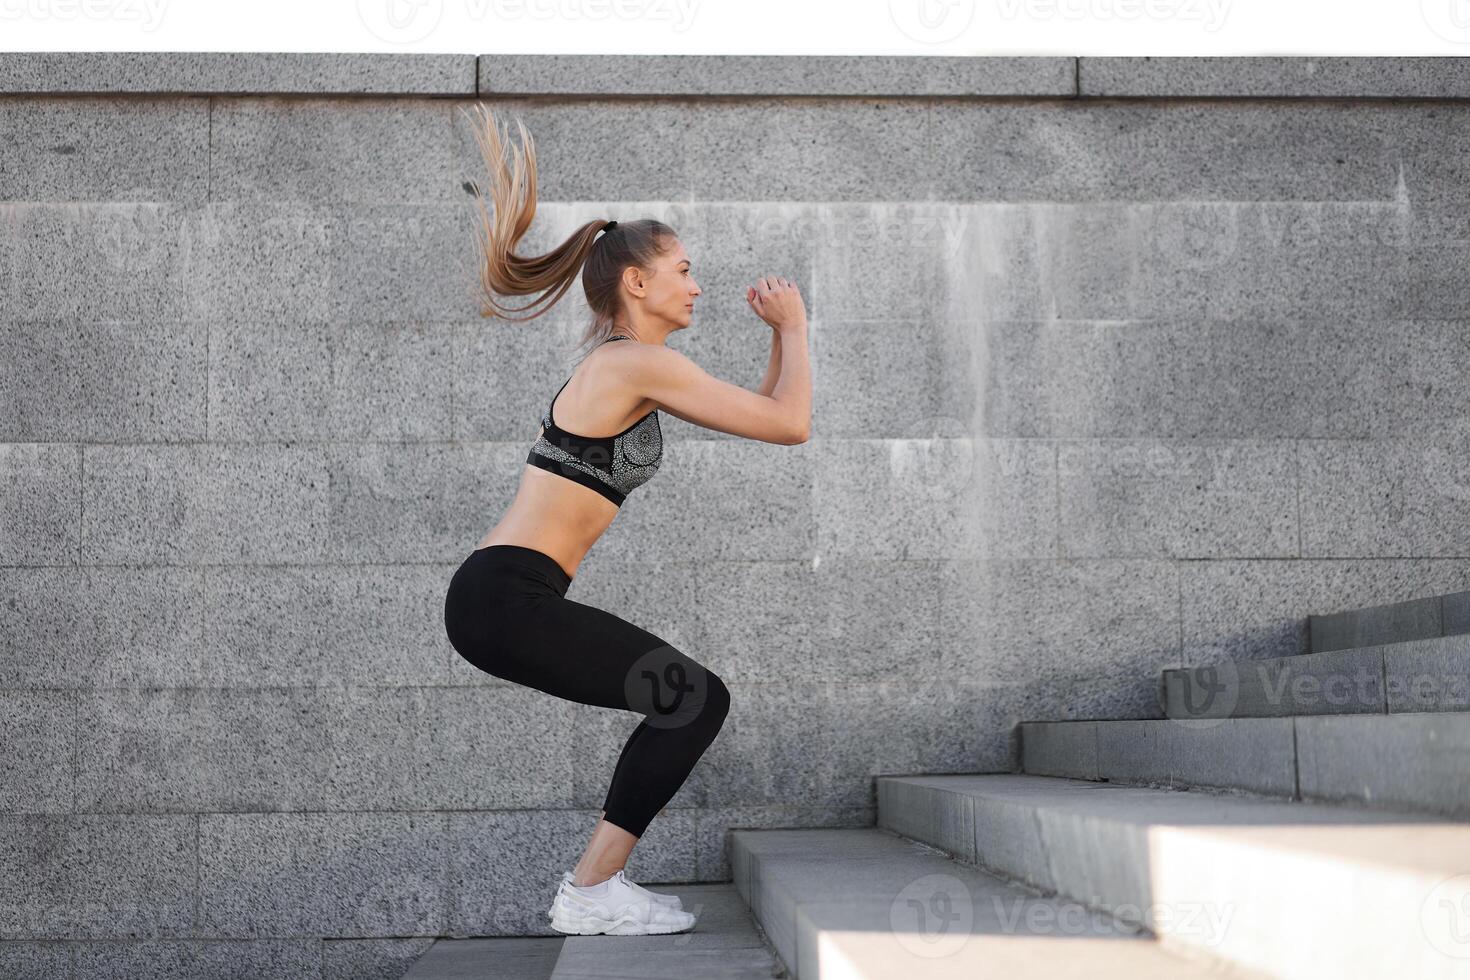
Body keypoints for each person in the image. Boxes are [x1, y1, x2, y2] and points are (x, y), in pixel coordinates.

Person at [441, 105, 811, 937]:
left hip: (506, 595)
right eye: (683, 268)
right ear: (636, 283)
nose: (697, 283)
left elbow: (767, 411)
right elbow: (792, 423)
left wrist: (783, 341)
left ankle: (596, 888)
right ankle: (590, 891)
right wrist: (794, 327)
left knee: (687, 698)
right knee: (693, 698)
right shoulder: (638, 362)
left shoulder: (629, 364)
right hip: (505, 598)